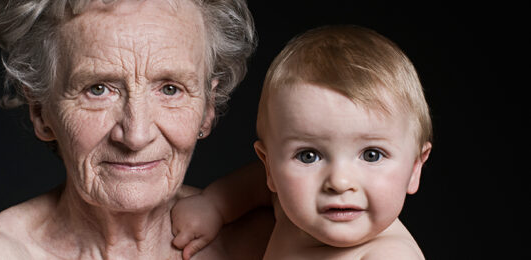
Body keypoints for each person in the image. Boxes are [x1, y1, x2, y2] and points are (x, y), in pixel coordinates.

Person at [0, 0, 274, 259]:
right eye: (98, 89)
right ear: (41, 112)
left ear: (207, 109)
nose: (136, 134)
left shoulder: (271, 242)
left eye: (170, 88)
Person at [172, 25, 433, 259]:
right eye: (309, 156)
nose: (340, 182)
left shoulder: (387, 255)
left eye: (371, 155)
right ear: (271, 168)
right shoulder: (293, 211)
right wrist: (215, 205)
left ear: (414, 168)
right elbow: (257, 185)